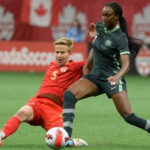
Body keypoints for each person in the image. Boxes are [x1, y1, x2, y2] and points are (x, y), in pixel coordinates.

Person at [62, 2, 150, 139]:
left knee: (128, 116)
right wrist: (87, 65)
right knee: (69, 95)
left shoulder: (120, 38)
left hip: (112, 79)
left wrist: (117, 76)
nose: (104, 18)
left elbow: (126, 65)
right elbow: (96, 46)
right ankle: (66, 137)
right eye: (103, 15)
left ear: (117, 17)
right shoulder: (99, 27)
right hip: (96, 77)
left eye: (108, 15)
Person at [0, 38, 88, 147]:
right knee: (22, 113)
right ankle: (1, 135)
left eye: (62, 52)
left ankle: (70, 142)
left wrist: (97, 39)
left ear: (70, 53)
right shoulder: (52, 65)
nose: (59, 55)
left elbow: (93, 62)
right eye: (57, 52)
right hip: (38, 103)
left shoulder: (76, 67)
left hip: (55, 109)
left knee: (58, 139)